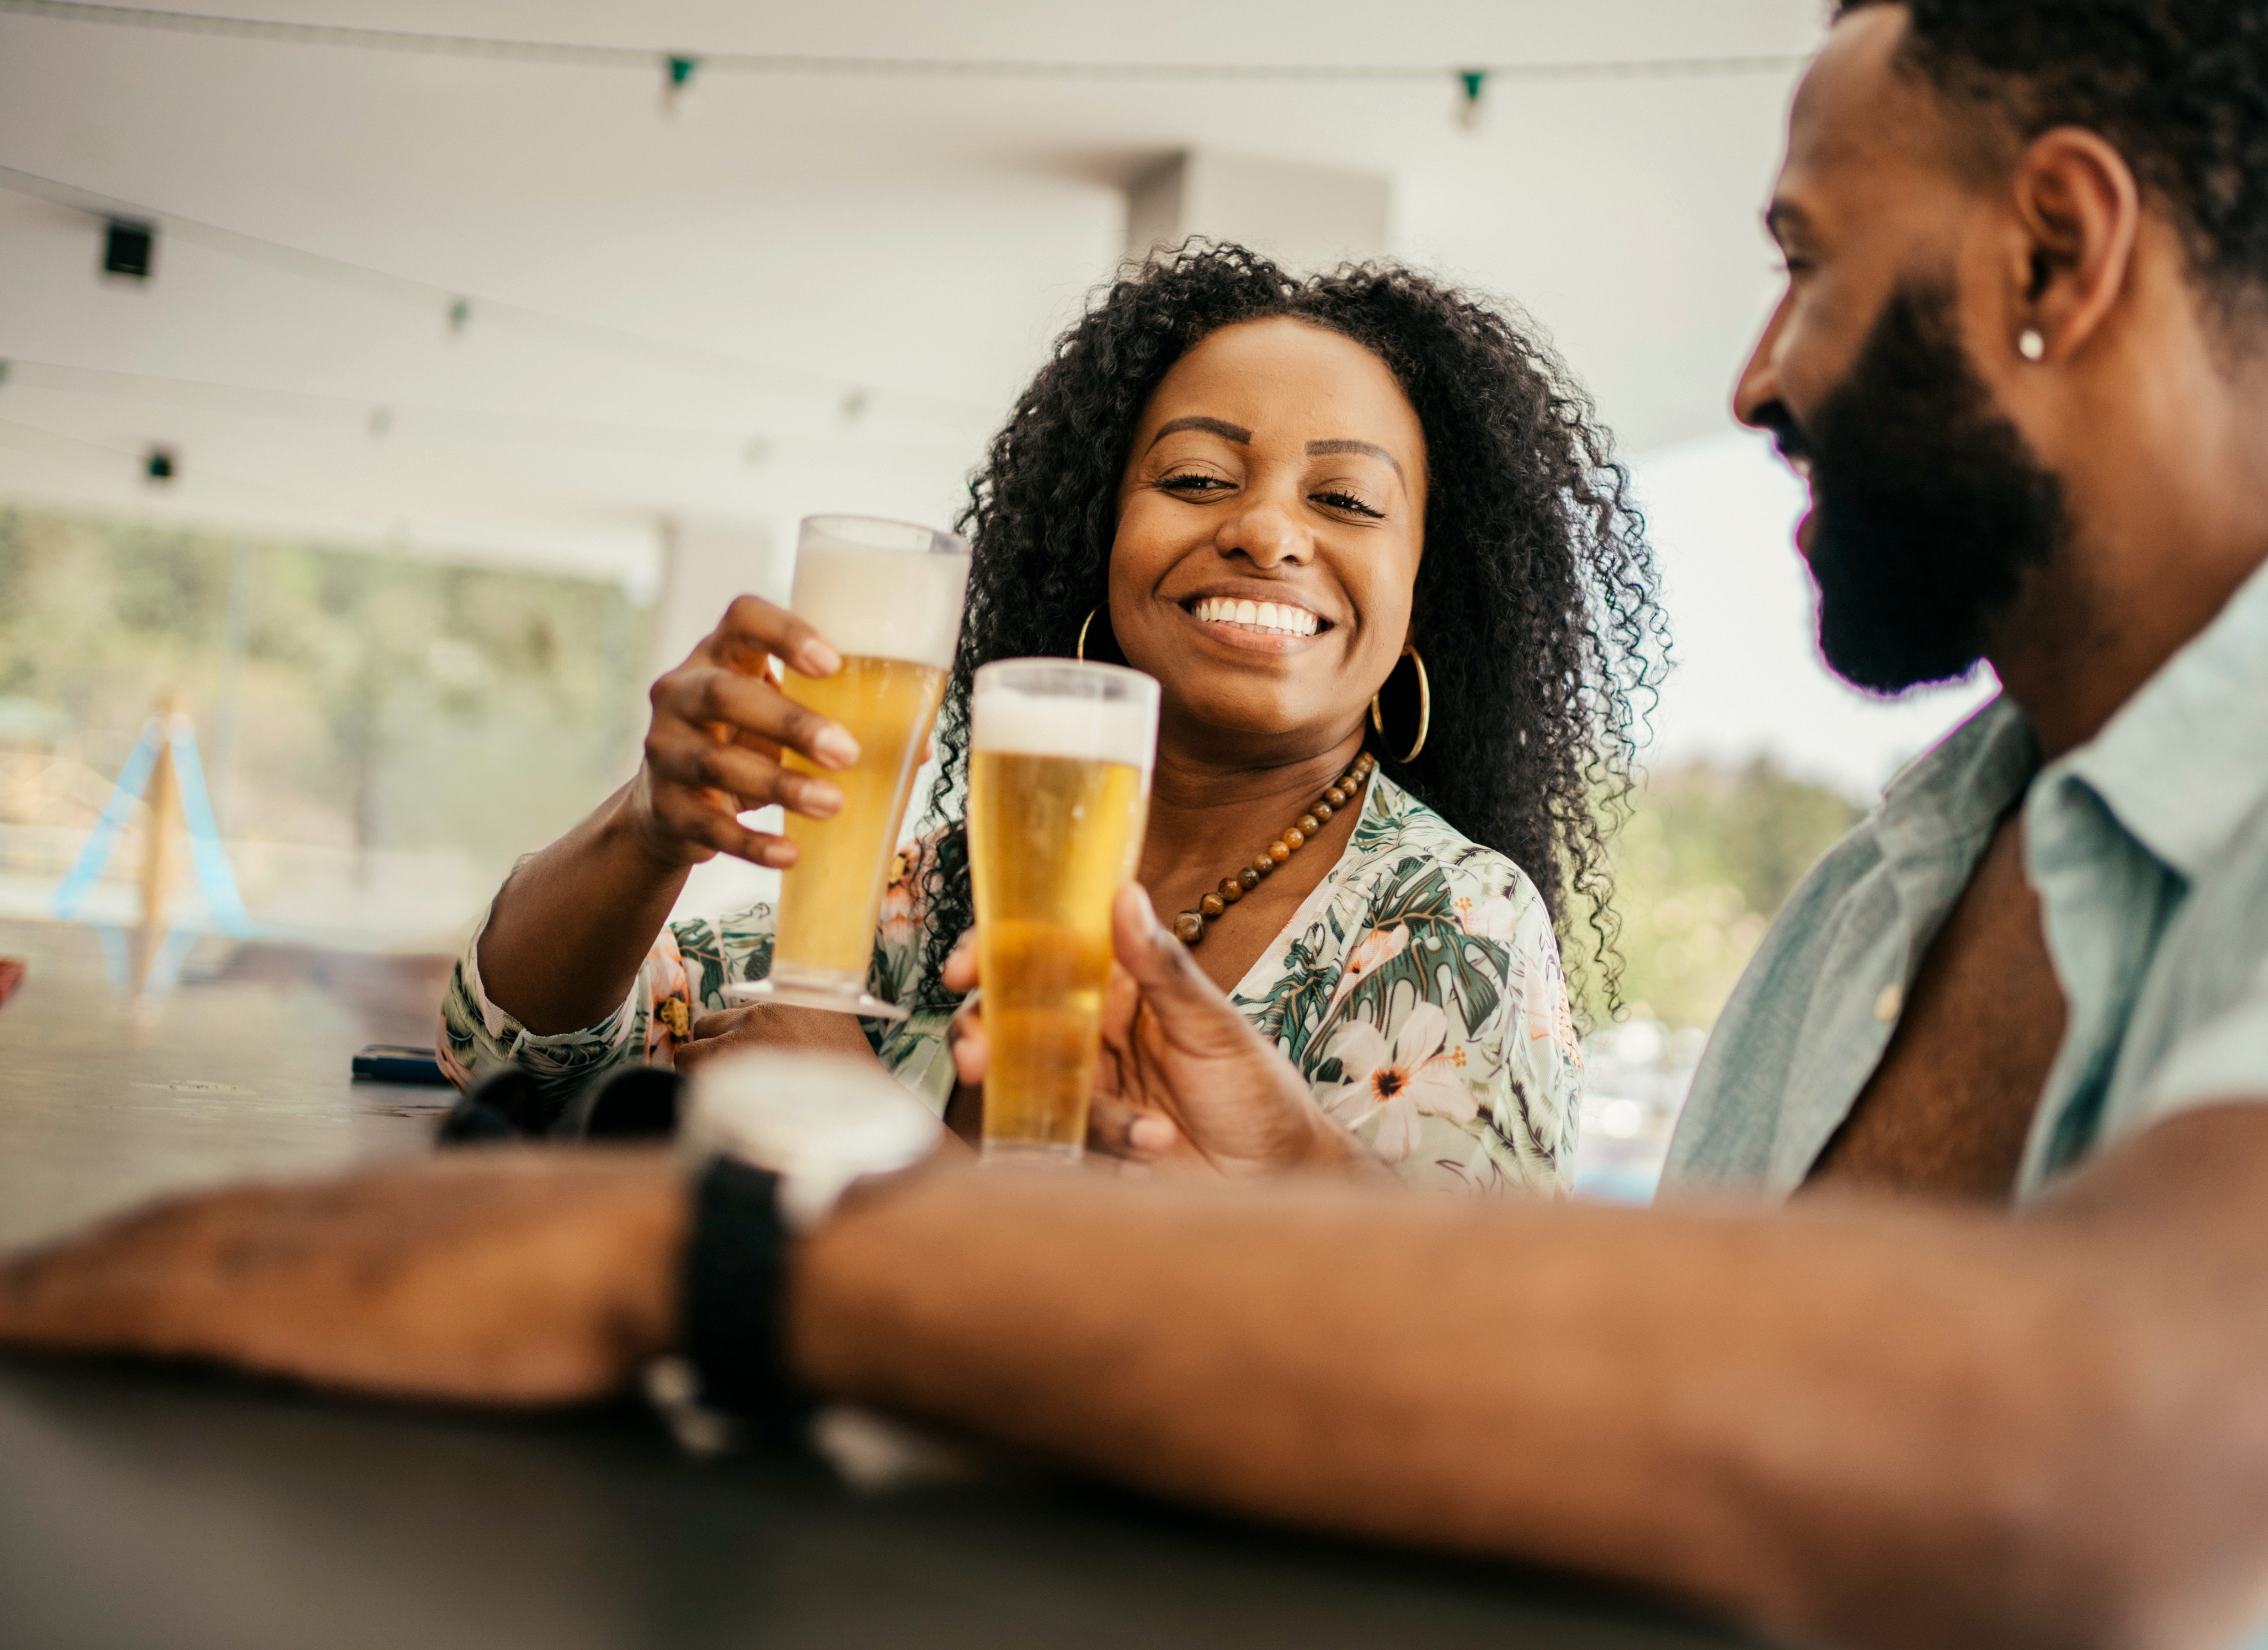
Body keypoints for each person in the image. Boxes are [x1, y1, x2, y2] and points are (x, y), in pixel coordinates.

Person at [0, 0, 2268, 1650]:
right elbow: (1715, 1413)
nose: (1748, 372)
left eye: (1793, 260)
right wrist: (1316, 1192)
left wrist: (748, 1266)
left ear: (2053, 252)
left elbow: (2098, 1463)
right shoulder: (1896, 889)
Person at [448, 244, 1665, 1192]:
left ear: (1422, 599)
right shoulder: (944, 890)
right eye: (1196, 478)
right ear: (1102, 543)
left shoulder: (1454, 923)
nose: (1267, 531)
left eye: (1346, 499)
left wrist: (876, 1151)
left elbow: (1433, 1360)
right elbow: (508, 1046)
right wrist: (651, 829)